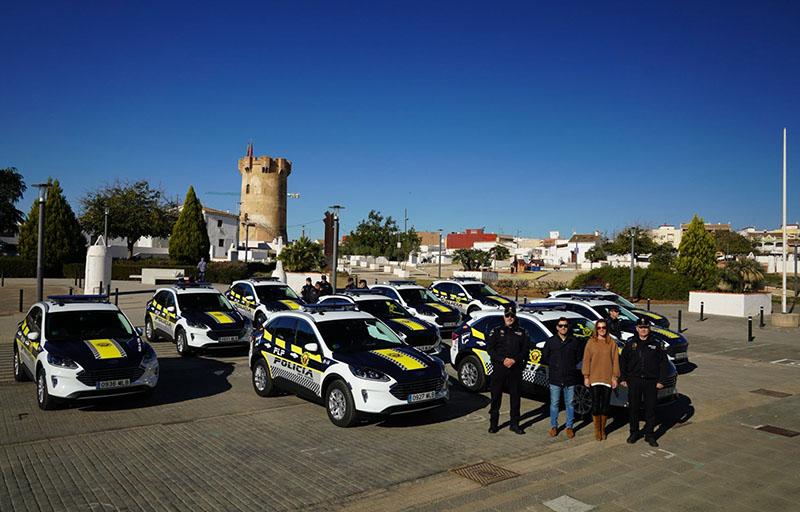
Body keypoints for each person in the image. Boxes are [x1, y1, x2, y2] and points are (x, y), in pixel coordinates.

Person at [619, 317, 669, 447]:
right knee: (634, 408)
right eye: (641, 327)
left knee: (650, 409)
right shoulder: (630, 343)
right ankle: (634, 433)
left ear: (649, 328)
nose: (643, 330)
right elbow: (623, 362)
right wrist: (623, 378)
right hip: (634, 381)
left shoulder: (657, 344)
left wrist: (661, 381)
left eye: (645, 327)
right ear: (637, 329)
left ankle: (650, 435)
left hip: (651, 382)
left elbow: (664, 364)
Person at [486, 304, 529, 435]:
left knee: (515, 398)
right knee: (496, 397)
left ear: (515, 317)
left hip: (515, 369)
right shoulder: (497, 331)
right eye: (507, 315)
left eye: (512, 316)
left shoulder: (522, 332)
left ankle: (514, 424)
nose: (509, 318)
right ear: (504, 316)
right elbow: (490, 349)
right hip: (500, 368)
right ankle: (494, 424)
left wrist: (514, 360)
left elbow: (525, 350)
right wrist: (502, 359)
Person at [541, 317, 583, 438]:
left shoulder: (574, 341)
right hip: (555, 378)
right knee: (554, 404)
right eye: (560, 325)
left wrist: (570, 366)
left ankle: (569, 427)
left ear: (568, 327)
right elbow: (545, 357)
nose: (563, 328)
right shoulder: (551, 341)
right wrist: (555, 365)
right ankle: (554, 426)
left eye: (565, 325)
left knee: (570, 404)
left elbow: (578, 357)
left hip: (570, 378)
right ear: (557, 327)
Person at [582, 319, 620, 441]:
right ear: (596, 329)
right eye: (599, 328)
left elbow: (615, 361)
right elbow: (586, 360)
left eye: (603, 327)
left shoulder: (612, 343)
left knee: (605, 406)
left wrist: (615, 377)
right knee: (595, 405)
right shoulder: (591, 342)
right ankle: (597, 430)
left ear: (607, 328)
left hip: (607, 378)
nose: (601, 330)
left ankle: (603, 429)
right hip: (594, 378)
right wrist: (586, 376)